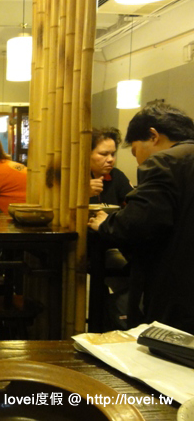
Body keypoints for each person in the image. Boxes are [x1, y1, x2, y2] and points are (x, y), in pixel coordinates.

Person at [88, 102, 194, 334]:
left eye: (135, 151)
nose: (137, 160)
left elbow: (137, 224)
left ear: (153, 136)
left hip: (177, 287)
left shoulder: (165, 161)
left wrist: (106, 224)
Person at [89, 127, 133, 206]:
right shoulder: (71, 177)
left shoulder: (116, 175)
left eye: (112, 154)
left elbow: (134, 204)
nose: (110, 159)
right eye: (104, 154)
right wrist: (84, 194)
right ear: (87, 154)